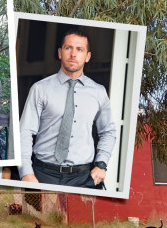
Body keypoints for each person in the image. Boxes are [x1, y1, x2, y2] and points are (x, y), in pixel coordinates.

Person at [18, 28, 116, 188]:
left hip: (83, 178)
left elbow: (108, 131)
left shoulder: (98, 92)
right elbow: (25, 132)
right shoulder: (40, 89)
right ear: (59, 52)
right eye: (68, 48)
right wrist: (26, 172)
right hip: (42, 174)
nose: (73, 54)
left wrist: (101, 164)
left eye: (80, 49)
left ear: (87, 56)